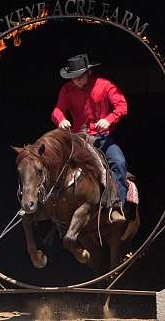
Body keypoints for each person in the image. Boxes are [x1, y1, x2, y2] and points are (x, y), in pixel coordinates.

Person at [51, 53, 128, 222]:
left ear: (88, 73)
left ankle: (116, 205)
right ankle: (52, 208)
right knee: (54, 163)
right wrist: (61, 119)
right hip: (78, 138)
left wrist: (108, 120)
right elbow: (57, 110)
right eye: (73, 78)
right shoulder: (67, 89)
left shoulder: (105, 85)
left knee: (119, 162)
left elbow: (122, 106)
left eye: (80, 77)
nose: (77, 81)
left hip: (102, 137)